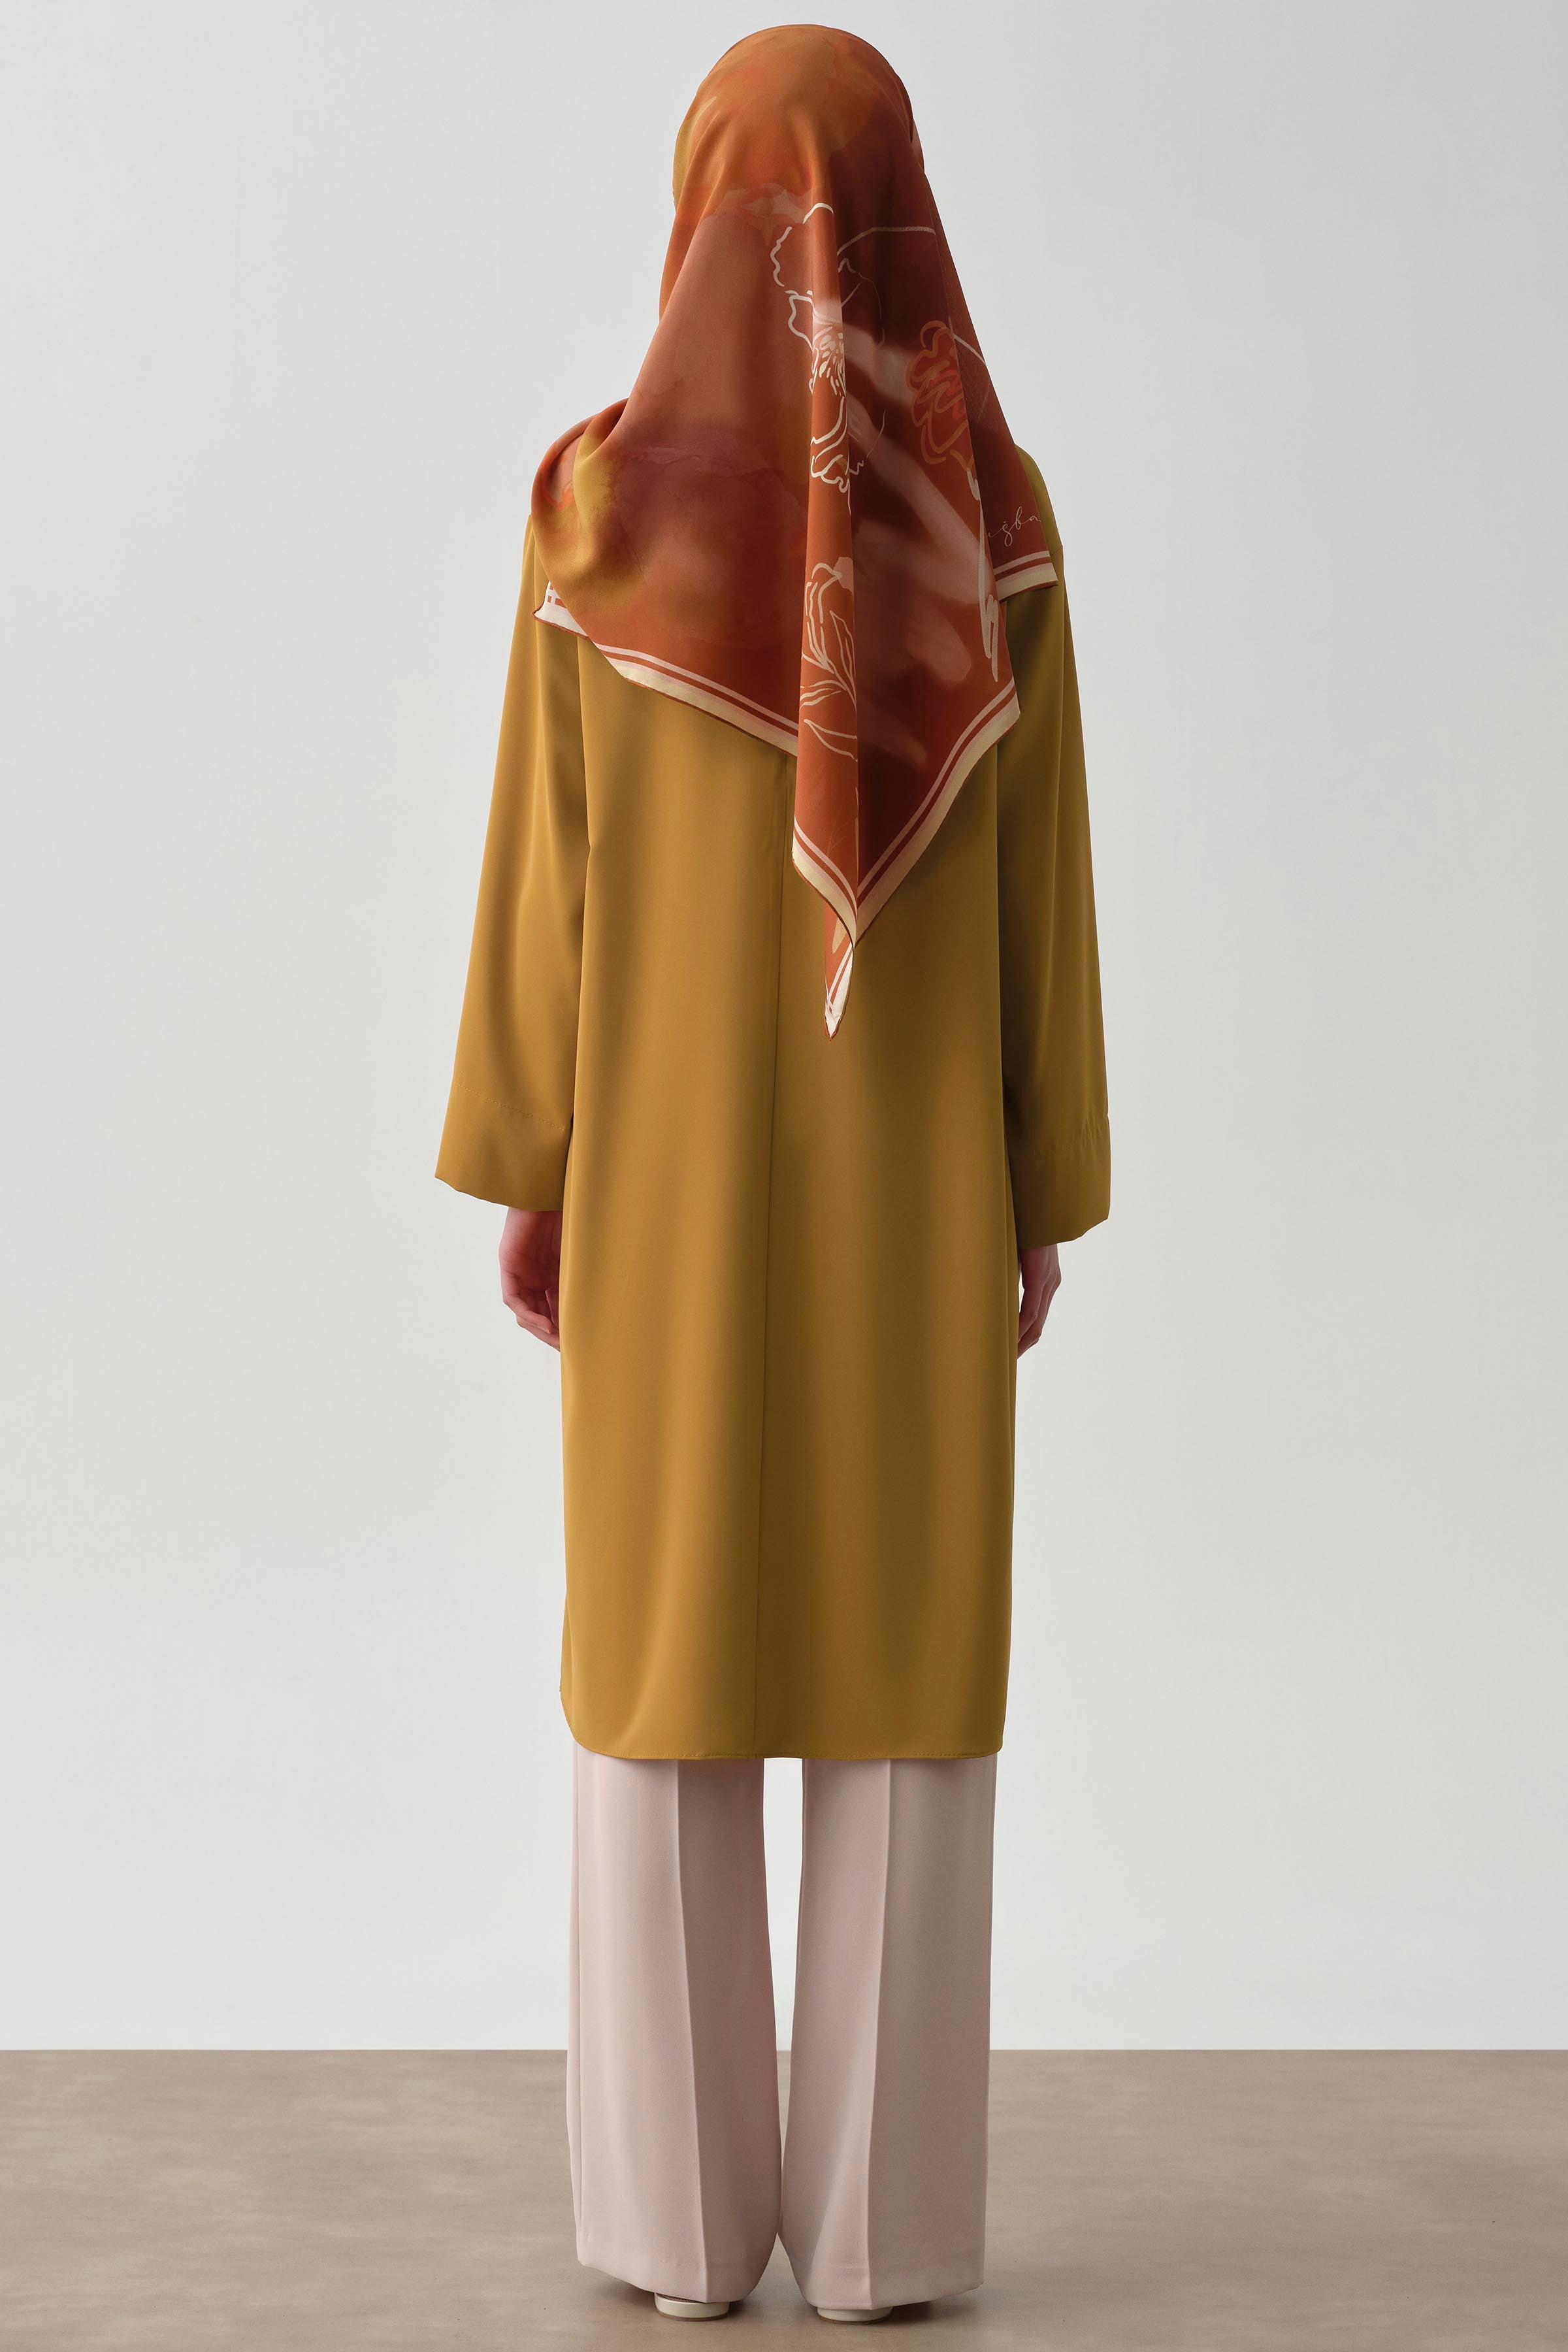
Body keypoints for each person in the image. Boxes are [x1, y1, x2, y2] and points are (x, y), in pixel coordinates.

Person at [437, 24, 1109, 2325]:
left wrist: (533, 1162)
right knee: (901, 1667)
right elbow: (1046, 895)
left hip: (668, 1187)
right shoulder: (993, 520)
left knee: (668, 1657)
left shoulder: (592, 520)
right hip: (915, 1192)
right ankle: (888, 2244)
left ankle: (672, 2232)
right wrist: (1037, 1177)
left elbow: (547, 888)